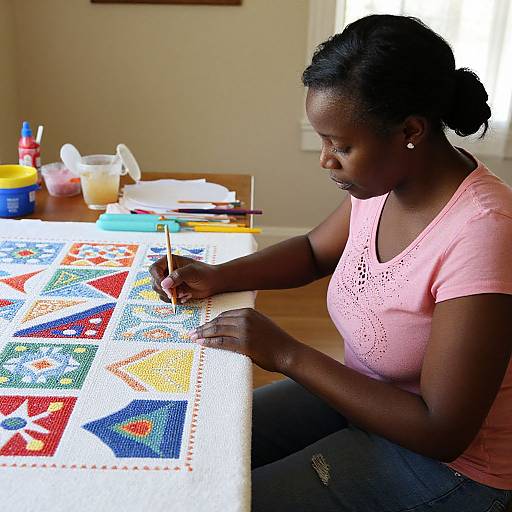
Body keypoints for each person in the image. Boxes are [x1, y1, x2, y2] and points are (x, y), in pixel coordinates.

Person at [150, 14, 512, 511]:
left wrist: (287, 355)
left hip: (454, 467)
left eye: (341, 145)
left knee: (223, 502)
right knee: (192, 445)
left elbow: (440, 430)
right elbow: (314, 251)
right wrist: (218, 276)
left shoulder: (484, 231)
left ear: (410, 130)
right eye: (321, 140)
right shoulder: (383, 183)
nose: (326, 160)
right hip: (367, 396)